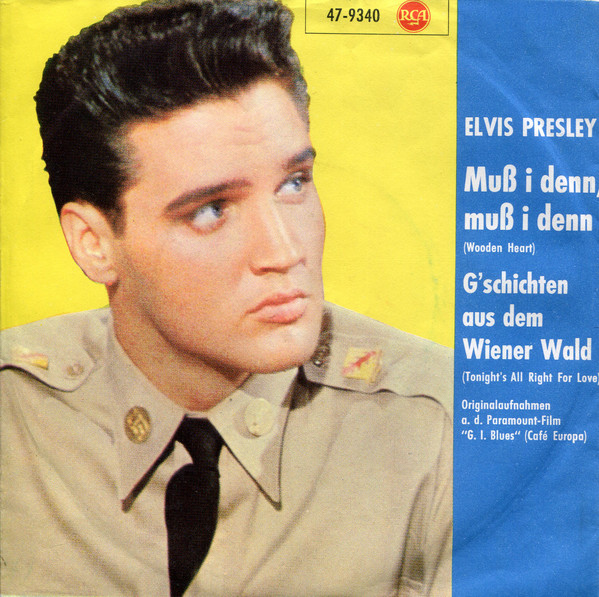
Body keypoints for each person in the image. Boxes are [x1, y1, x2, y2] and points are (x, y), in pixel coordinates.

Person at [0, 1, 453, 595]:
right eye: (211, 210)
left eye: (294, 183)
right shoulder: (14, 416)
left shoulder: (444, 431)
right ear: (94, 244)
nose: (284, 250)